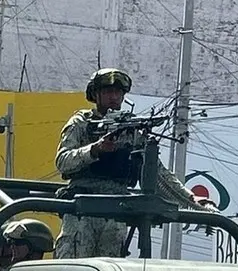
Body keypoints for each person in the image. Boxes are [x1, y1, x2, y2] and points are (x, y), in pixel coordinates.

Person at [53, 68, 215, 258]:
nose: (113, 97)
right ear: (95, 95)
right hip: (82, 208)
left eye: (118, 92)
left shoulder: (133, 129)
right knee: (74, 270)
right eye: (107, 92)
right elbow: (62, 162)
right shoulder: (81, 123)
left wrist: (191, 199)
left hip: (117, 210)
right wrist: (95, 149)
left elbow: (159, 174)